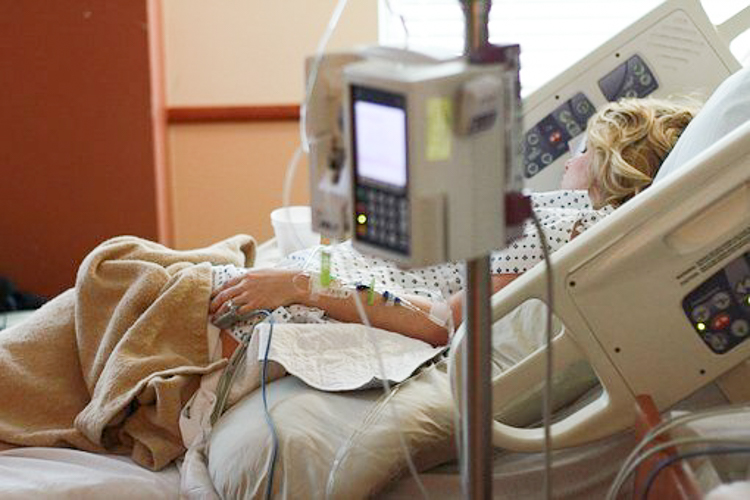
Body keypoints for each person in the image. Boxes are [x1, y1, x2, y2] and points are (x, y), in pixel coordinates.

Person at [209, 97, 698, 354]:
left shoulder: (564, 229)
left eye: (586, 149)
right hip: (329, 277)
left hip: (315, 303)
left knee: (173, 294)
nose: (571, 156)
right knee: (170, 277)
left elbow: (441, 322)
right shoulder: (553, 217)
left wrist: (302, 285)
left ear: (613, 168)